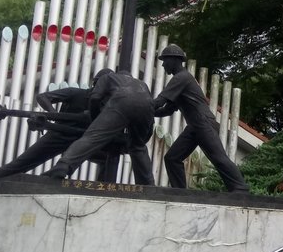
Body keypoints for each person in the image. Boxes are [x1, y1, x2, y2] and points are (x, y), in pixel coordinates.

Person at [153, 44, 249, 192]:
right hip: (194, 126)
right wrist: (149, 112)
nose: (163, 64)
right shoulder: (181, 80)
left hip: (203, 123)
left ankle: (240, 189)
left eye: (165, 60)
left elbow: (159, 102)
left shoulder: (181, 78)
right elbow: (167, 110)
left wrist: (139, 106)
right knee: (172, 158)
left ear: (174, 60)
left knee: (218, 158)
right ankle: (180, 193)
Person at [44, 69, 155, 184]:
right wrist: (140, 139)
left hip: (122, 101)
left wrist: (95, 119)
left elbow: (95, 98)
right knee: (138, 147)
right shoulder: (142, 85)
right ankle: (148, 184)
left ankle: (62, 166)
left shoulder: (107, 78)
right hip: (147, 106)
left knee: (93, 136)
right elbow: (150, 122)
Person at [0, 85, 93, 181]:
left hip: (85, 140)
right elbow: (42, 97)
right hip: (58, 135)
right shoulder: (76, 93)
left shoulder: (104, 103)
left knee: (106, 160)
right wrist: (55, 115)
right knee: (20, 164)